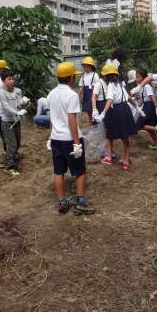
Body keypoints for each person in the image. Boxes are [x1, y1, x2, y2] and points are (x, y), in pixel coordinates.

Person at [48, 61, 95, 215]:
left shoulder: (51, 94)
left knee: (59, 171)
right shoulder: (72, 95)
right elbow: (72, 121)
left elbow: (52, 117)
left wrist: (50, 136)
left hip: (56, 138)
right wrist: (77, 144)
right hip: (69, 138)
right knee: (80, 171)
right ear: (71, 78)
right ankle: (80, 203)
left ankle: (62, 203)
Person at [96, 64, 138, 170]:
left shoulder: (111, 85)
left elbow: (110, 99)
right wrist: (136, 106)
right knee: (124, 136)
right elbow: (128, 98)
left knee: (110, 133)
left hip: (117, 111)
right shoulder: (120, 84)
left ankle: (109, 157)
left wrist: (103, 113)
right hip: (125, 109)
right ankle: (125, 160)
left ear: (107, 76)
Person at [0, 68, 29, 175]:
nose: (12, 81)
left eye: (13, 79)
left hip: (16, 120)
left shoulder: (18, 91)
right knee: (12, 144)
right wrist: (17, 112)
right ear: (3, 81)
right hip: (7, 122)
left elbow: (19, 104)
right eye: (9, 79)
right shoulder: (2, 93)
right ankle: (9, 166)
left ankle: (11, 156)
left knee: (18, 142)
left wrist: (23, 102)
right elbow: (6, 107)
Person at [134, 67, 157, 151]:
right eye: (136, 77)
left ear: (144, 78)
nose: (136, 79)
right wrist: (136, 107)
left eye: (138, 77)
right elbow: (143, 99)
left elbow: (152, 97)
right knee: (149, 128)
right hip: (147, 105)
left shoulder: (146, 86)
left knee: (139, 125)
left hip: (149, 107)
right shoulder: (142, 87)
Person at [78, 56, 99, 125]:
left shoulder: (95, 75)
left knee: (94, 111)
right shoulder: (83, 76)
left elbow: (98, 86)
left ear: (91, 66)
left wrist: (96, 95)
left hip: (93, 95)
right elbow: (81, 86)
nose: (85, 68)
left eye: (86, 66)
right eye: (84, 66)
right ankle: (91, 124)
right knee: (88, 111)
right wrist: (78, 96)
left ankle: (96, 124)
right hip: (86, 95)